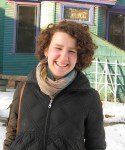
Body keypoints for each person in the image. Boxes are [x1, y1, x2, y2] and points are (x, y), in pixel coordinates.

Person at [3, 20, 106, 150]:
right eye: (58, 48)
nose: (63, 57)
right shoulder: (24, 88)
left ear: (79, 56)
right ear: (46, 50)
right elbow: (11, 136)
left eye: (72, 51)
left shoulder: (90, 98)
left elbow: (96, 146)